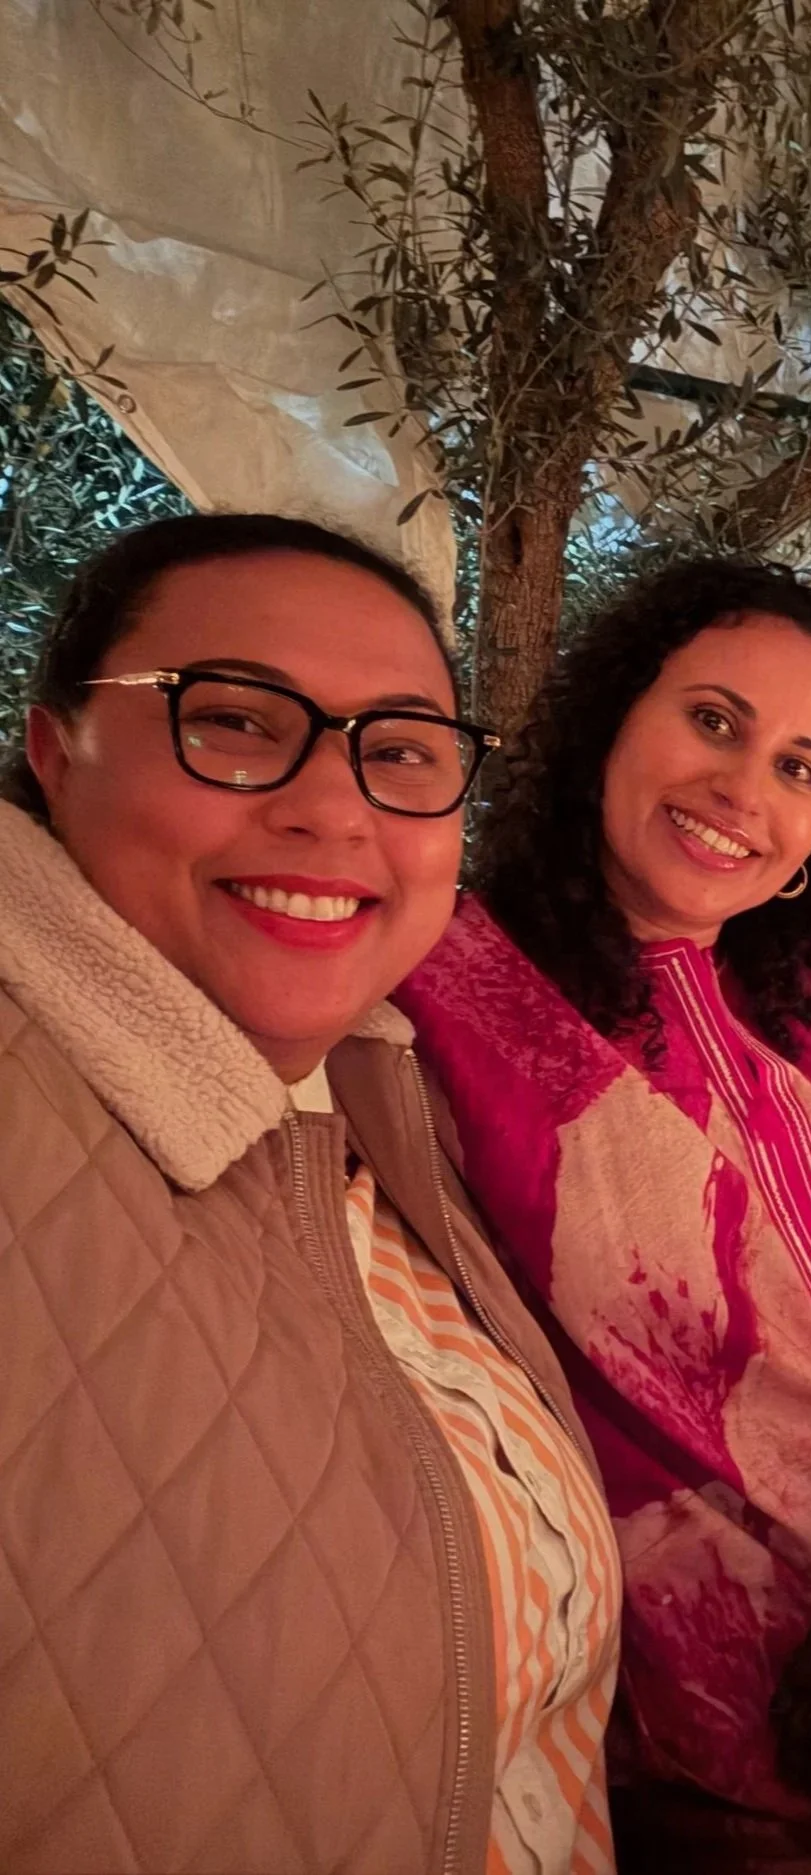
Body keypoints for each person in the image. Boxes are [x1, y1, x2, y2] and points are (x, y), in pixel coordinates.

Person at [0, 515, 621, 1874]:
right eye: (232, 721)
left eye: (399, 751)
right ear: (53, 748)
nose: (334, 808)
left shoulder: (374, 1103)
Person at [392, 561, 811, 1854]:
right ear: (610, 721)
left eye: (799, 766)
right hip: (725, 1678)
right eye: (712, 721)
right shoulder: (446, 983)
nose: (745, 790)